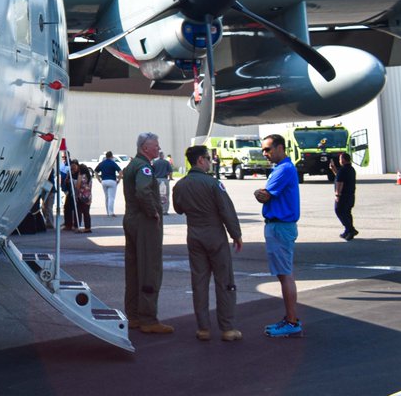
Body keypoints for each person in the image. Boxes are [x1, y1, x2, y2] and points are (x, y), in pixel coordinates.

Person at [173, 145, 243, 342]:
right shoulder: (213, 184)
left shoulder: (181, 185)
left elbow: (178, 209)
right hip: (215, 235)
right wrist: (236, 234)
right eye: (208, 158)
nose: (210, 162)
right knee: (225, 281)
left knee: (199, 282)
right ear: (201, 160)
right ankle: (227, 328)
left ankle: (203, 328)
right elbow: (226, 210)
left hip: (194, 234)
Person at [123, 132, 173, 333]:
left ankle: (133, 315)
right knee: (149, 268)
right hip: (144, 223)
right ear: (145, 148)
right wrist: (153, 211)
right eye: (155, 145)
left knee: (134, 268)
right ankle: (148, 319)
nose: (158, 148)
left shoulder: (133, 165)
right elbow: (143, 191)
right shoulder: (143, 167)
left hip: (132, 219)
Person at [255, 134, 303, 338]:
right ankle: (290, 319)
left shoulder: (283, 169)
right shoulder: (282, 169)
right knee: (285, 274)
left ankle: (292, 322)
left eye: (268, 149)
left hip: (280, 226)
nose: (265, 153)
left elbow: (264, 194)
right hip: (281, 226)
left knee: (285, 275)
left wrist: (259, 193)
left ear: (280, 147)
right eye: (263, 150)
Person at [333, 152, 357, 240]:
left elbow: (340, 182)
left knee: (339, 211)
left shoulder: (343, 170)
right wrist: (333, 169)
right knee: (347, 213)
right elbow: (339, 176)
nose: (339, 160)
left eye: (340, 159)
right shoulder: (351, 169)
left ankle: (350, 229)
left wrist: (337, 195)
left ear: (343, 160)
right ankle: (348, 230)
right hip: (351, 195)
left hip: (343, 196)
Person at [96, 151, 122, 217]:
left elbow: (96, 171)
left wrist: (99, 179)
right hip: (112, 181)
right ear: (111, 156)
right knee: (111, 197)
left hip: (104, 181)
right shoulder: (113, 163)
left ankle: (107, 212)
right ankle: (111, 212)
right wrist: (119, 179)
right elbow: (120, 171)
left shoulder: (102, 163)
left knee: (106, 197)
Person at [75, 163, 93, 233]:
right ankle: (88, 227)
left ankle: (78, 226)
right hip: (88, 196)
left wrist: (76, 194)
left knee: (79, 212)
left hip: (81, 196)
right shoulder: (89, 177)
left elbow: (78, 186)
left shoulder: (80, 176)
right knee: (87, 213)